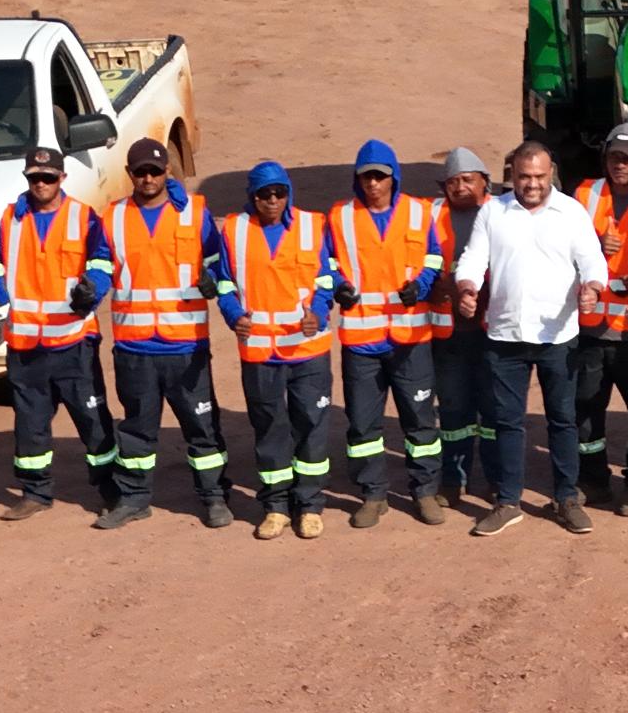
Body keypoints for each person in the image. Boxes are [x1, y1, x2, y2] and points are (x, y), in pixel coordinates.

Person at [455, 139, 609, 538]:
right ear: (513, 176)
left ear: (551, 172)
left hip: (558, 336)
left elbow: (592, 259)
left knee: (563, 420)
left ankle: (566, 498)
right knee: (507, 421)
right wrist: (468, 286)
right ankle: (507, 502)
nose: (533, 184)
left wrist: (592, 285)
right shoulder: (493, 212)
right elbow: (474, 257)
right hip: (506, 335)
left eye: (540, 176)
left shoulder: (571, 213)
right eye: (525, 177)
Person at [208, 160, 342, 541]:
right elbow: (224, 283)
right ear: (252, 196)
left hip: (307, 349)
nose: (272, 201)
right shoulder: (233, 230)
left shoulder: (313, 226)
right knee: (269, 429)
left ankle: (311, 506)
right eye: (264, 194)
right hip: (260, 352)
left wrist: (318, 311)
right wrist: (233, 314)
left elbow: (327, 278)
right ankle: (276, 507)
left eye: (279, 193)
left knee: (312, 428)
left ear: (289, 193)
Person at [104, 139, 235, 530]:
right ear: (130, 175)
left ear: (167, 174)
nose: (148, 178)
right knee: (136, 430)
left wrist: (215, 282)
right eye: (141, 172)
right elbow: (97, 265)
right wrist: (87, 292)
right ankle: (133, 499)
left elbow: (217, 262)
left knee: (202, 428)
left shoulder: (194, 213)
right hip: (134, 345)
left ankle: (214, 498)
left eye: (156, 171)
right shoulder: (111, 218)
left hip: (185, 345)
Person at [327, 142, 450, 529]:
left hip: (411, 337)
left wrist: (424, 284)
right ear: (357, 178)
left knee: (420, 421)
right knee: (364, 425)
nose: (373, 183)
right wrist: (336, 284)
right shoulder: (339, 216)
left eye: (380, 176)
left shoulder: (419, 212)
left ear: (393, 177)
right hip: (362, 341)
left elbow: (433, 255)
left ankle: (425, 491)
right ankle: (372, 494)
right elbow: (325, 261)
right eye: (367, 176)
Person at [0, 149, 120, 523]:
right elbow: (4, 268)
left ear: (62, 178)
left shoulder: (84, 217)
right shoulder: (10, 219)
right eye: (34, 178)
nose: (41, 184)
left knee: (92, 420)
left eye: (48, 178)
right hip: (26, 345)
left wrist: (92, 290)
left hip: (72, 341)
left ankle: (110, 489)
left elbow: (101, 263)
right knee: (29, 423)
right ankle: (35, 492)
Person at [570, 126, 628, 512]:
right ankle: (593, 479)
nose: (620, 165)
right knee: (586, 410)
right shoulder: (583, 196)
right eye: (614, 157)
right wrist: (594, 243)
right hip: (591, 329)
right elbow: (562, 248)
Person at [434, 148, 499, 511]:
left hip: (492, 328)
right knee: (454, 408)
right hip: (448, 330)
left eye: (467, 179)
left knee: (493, 409)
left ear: (484, 182)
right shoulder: (431, 216)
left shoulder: (503, 212)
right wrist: (437, 284)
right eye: (452, 182)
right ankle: (453, 479)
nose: (459, 187)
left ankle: (495, 479)